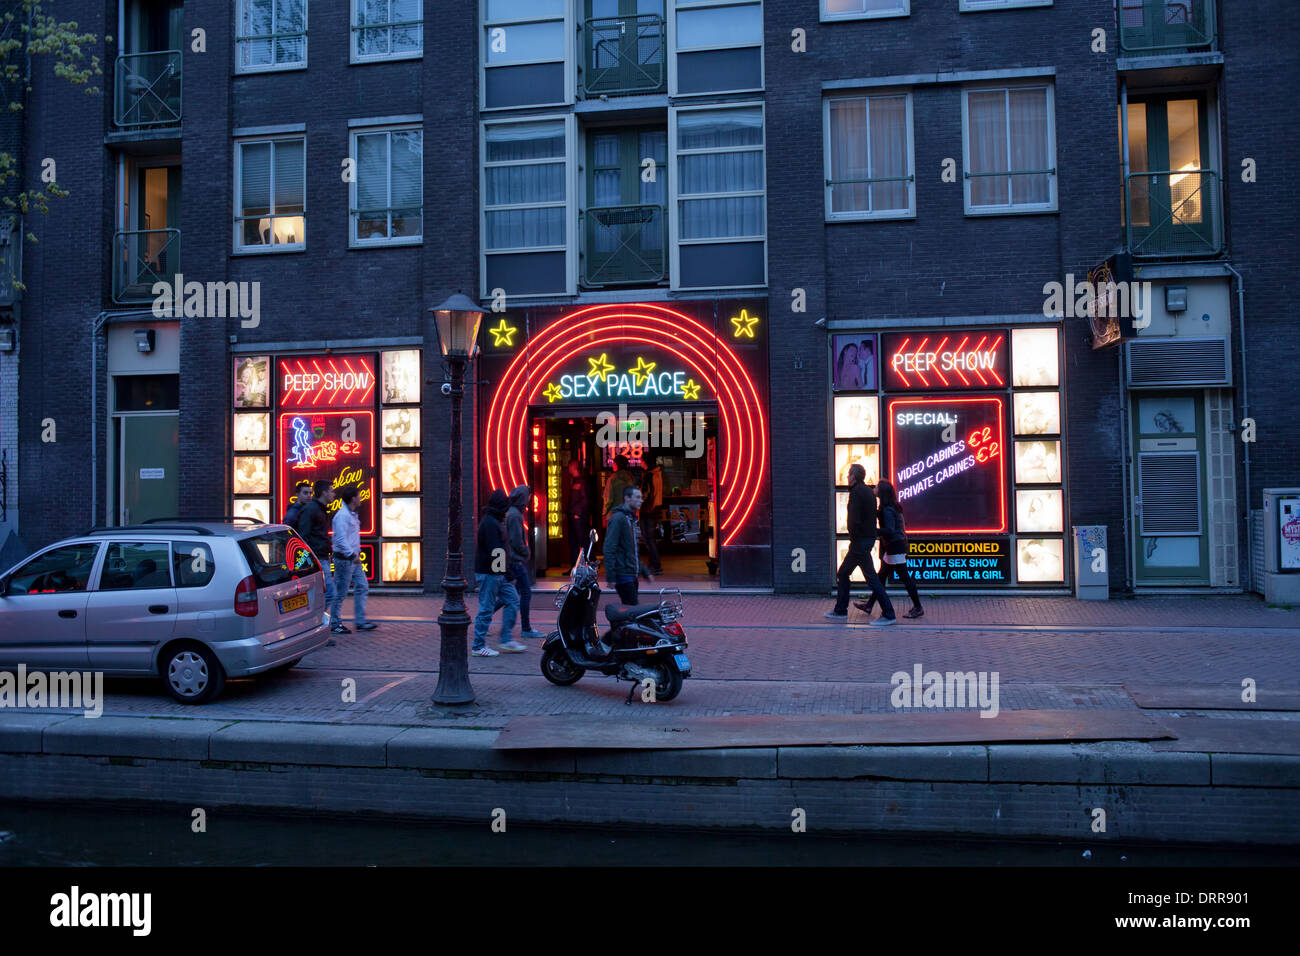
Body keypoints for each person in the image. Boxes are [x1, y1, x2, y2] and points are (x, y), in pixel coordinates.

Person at [825, 463, 895, 625]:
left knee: (870, 579)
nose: (847, 477)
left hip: (859, 543)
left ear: (854, 476)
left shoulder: (856, 493)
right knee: (845, 573)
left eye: (849, 474)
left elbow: (854, 520)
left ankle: (889, 614)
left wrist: (853, 535)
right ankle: (840, 610)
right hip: (865, 541)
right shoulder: (869, 493)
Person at [854, 479, 923, 619]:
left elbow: (890, 530)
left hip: (895, 546)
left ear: (882, 491)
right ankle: (869, 605)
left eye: (877, 487)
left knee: (904, 577)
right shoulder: (889, 507)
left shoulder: (887, 509)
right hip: (894, 546)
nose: (875, 488)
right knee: (881, 576)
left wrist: (873, 531)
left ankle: (918, 607)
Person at [473, 489, 525, 657]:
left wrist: (505, 573)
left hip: (495, 573)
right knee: (487, 607)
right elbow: (496, 552)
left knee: (511, 599)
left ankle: (506, 639)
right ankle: (478, 645)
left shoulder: (493, 521)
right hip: (490, 573)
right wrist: (507, 573)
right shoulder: (490, 523)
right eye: (505, 506)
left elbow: (498, 552)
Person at [502, 485, 545, 639]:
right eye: (527, 496)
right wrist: (525, 551)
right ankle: (526, 628)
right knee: (525, 592)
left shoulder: (512, 513)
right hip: (515, 561)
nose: (529, 500)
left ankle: (485, 620)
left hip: (512, 559)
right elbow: (515, 540)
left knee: (508, 593)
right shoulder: (515, 516)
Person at [330, 487, 375, 633]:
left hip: (352, 559)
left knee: (362, 586)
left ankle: (360, 621)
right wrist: (351, 554)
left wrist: (355, 553)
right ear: (353, 499)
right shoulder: (342, 516)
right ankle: (335, 623)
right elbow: (340, 539)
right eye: (359, 496)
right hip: (345, 559)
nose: (361, 498)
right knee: (340, 592)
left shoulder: (350, 515)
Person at [605, 484, 654, 606]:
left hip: (631, 574)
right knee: (631, 609)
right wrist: (610, 576)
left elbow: (632, 550)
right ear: (627, 498)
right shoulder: (618, 519)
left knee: (630, 609)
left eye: (641, 497)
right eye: (637, 497)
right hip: (623, 574)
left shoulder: (630, 519)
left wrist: (645, 571)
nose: (641, 500)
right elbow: (609, 548)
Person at [297, 479, 336, 621]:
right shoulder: (312, 509)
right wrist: (310, 559)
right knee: (329, 592)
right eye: (331, 491)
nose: (334, 494)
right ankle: (315, 622)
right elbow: (304, 536)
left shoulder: (319, 509)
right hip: (317, 558)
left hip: (322, 557)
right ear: (324, 493)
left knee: (324, 593)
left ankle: (314, 622)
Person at [639, 455, 663, 575]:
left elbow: (646, 494)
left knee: (648, 539)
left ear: (645, 463)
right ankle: (652, 565)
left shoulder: (649, 475)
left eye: (641, 461)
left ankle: (656, 565)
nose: (640, 464)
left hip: (647, 510)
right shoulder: (658, 474)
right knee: (651, 538)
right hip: (655, 508)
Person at [566, 459, 592, 569]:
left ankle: (586, 564)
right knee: (573, 541)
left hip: (578, 516)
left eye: (569, 466)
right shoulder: (574, 480)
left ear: (573, 467)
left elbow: (585, 499)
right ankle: (575, 566)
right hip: (573, 514)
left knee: (581, 540)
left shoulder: (581, 481)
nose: (568, 469)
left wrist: (578, 512)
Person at [604, 454, 636, 523]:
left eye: (613, 463)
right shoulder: (631, 478)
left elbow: (609, 499)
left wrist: (605, 513)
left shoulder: (612, 479)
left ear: (616, 464)